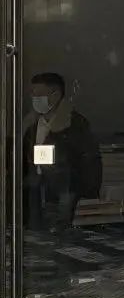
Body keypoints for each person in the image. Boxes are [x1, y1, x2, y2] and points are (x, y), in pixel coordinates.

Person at [22, 72, 101, 233]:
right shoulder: (32, 127)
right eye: (32, 94)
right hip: (36, 192)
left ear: (56, 95)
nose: (34, 98)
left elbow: (90, 161)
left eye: (39, 94)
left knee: (61, 234)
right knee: (37, 235)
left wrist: (85, 194)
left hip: (65, 193)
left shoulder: (75, 125)